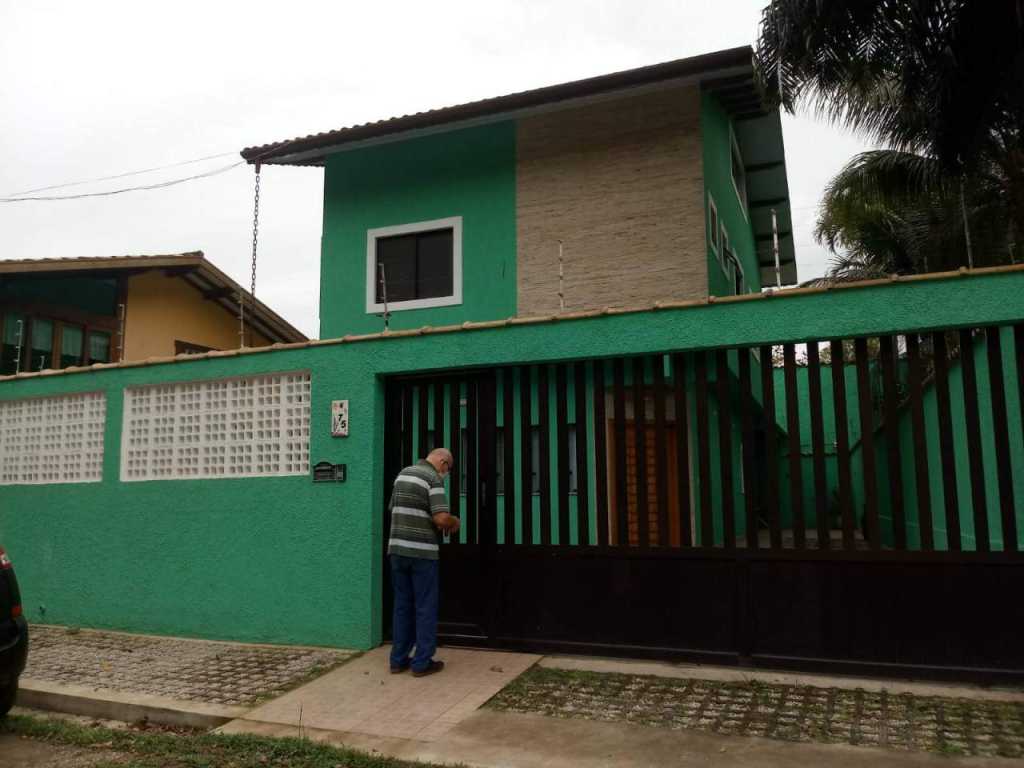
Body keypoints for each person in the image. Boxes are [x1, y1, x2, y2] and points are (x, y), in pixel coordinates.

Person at [387, 447, 460, 677]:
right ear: (443, 463)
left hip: (397, 550)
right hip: (422, 554)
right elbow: (440, 517)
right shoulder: (433, 478)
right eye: (447, 469)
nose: (445, 473)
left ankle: (398, 660)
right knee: (425, 607)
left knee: (402, 606)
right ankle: (421, 663)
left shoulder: (403, 474)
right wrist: (453, 521)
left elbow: (395, 509)